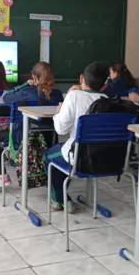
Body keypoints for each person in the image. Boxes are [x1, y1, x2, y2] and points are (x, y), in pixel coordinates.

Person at [0, 61, 63, 188]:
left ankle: (1, 176)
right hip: (49, 140)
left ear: (34, 77)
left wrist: (25, 84)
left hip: (23, 139)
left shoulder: (27, 91)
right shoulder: (58, 94)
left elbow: (6, 97)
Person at [42, 62, 109, 212]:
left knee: (48, 156)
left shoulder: (73, 96)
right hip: (104, 158)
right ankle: (62, 197)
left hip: (79, 156)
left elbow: (60, 130)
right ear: (104, 85)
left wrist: (59, 112)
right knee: (59, 155)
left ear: (81, 78)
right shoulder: (106, 99)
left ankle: (59, 198)